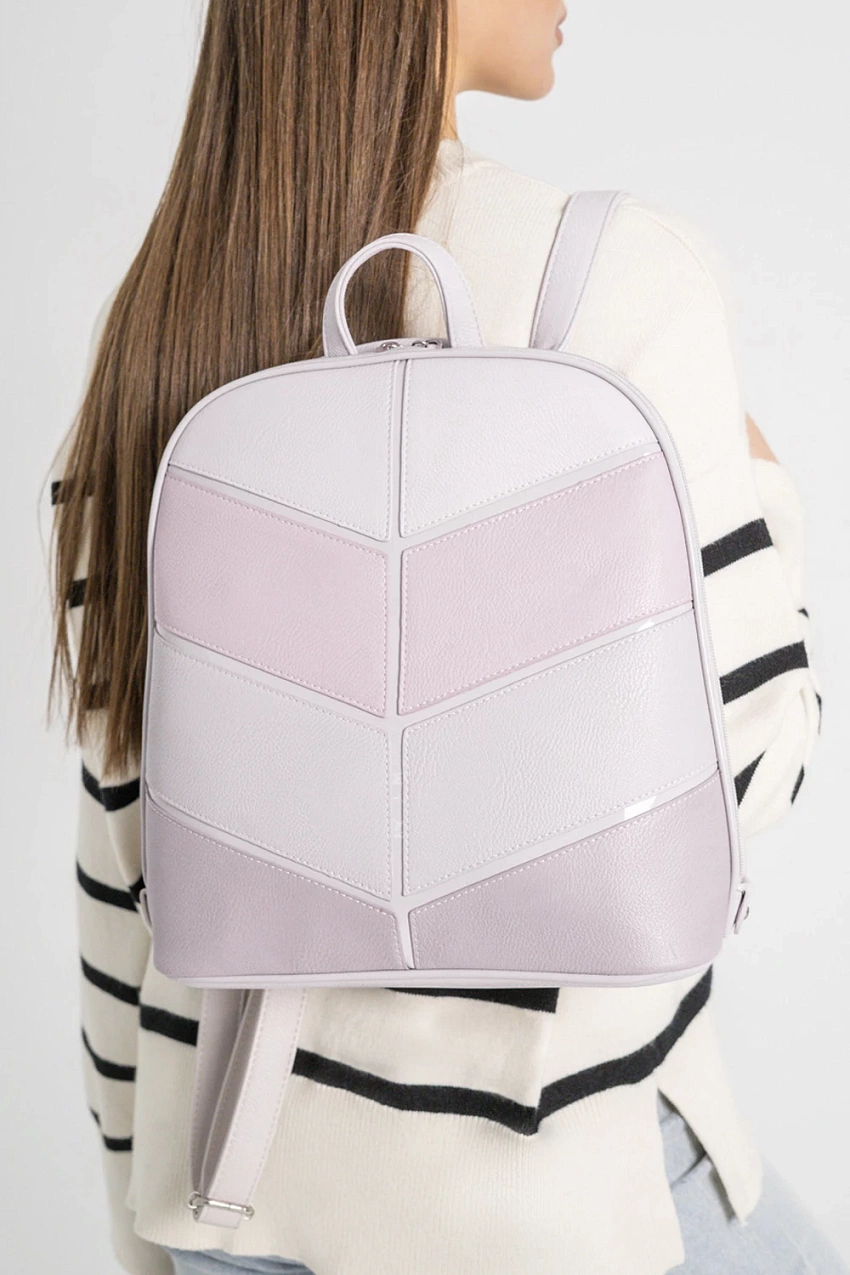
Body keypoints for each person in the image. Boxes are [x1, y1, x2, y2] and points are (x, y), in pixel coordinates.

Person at [49, 2, 844, 1273]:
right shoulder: (623, 278)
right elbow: (746, 779)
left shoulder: (156, 322)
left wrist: (142, 1225)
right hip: (552, 1206)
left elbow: (123, 851)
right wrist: (769, 486)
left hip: (225, 1198)